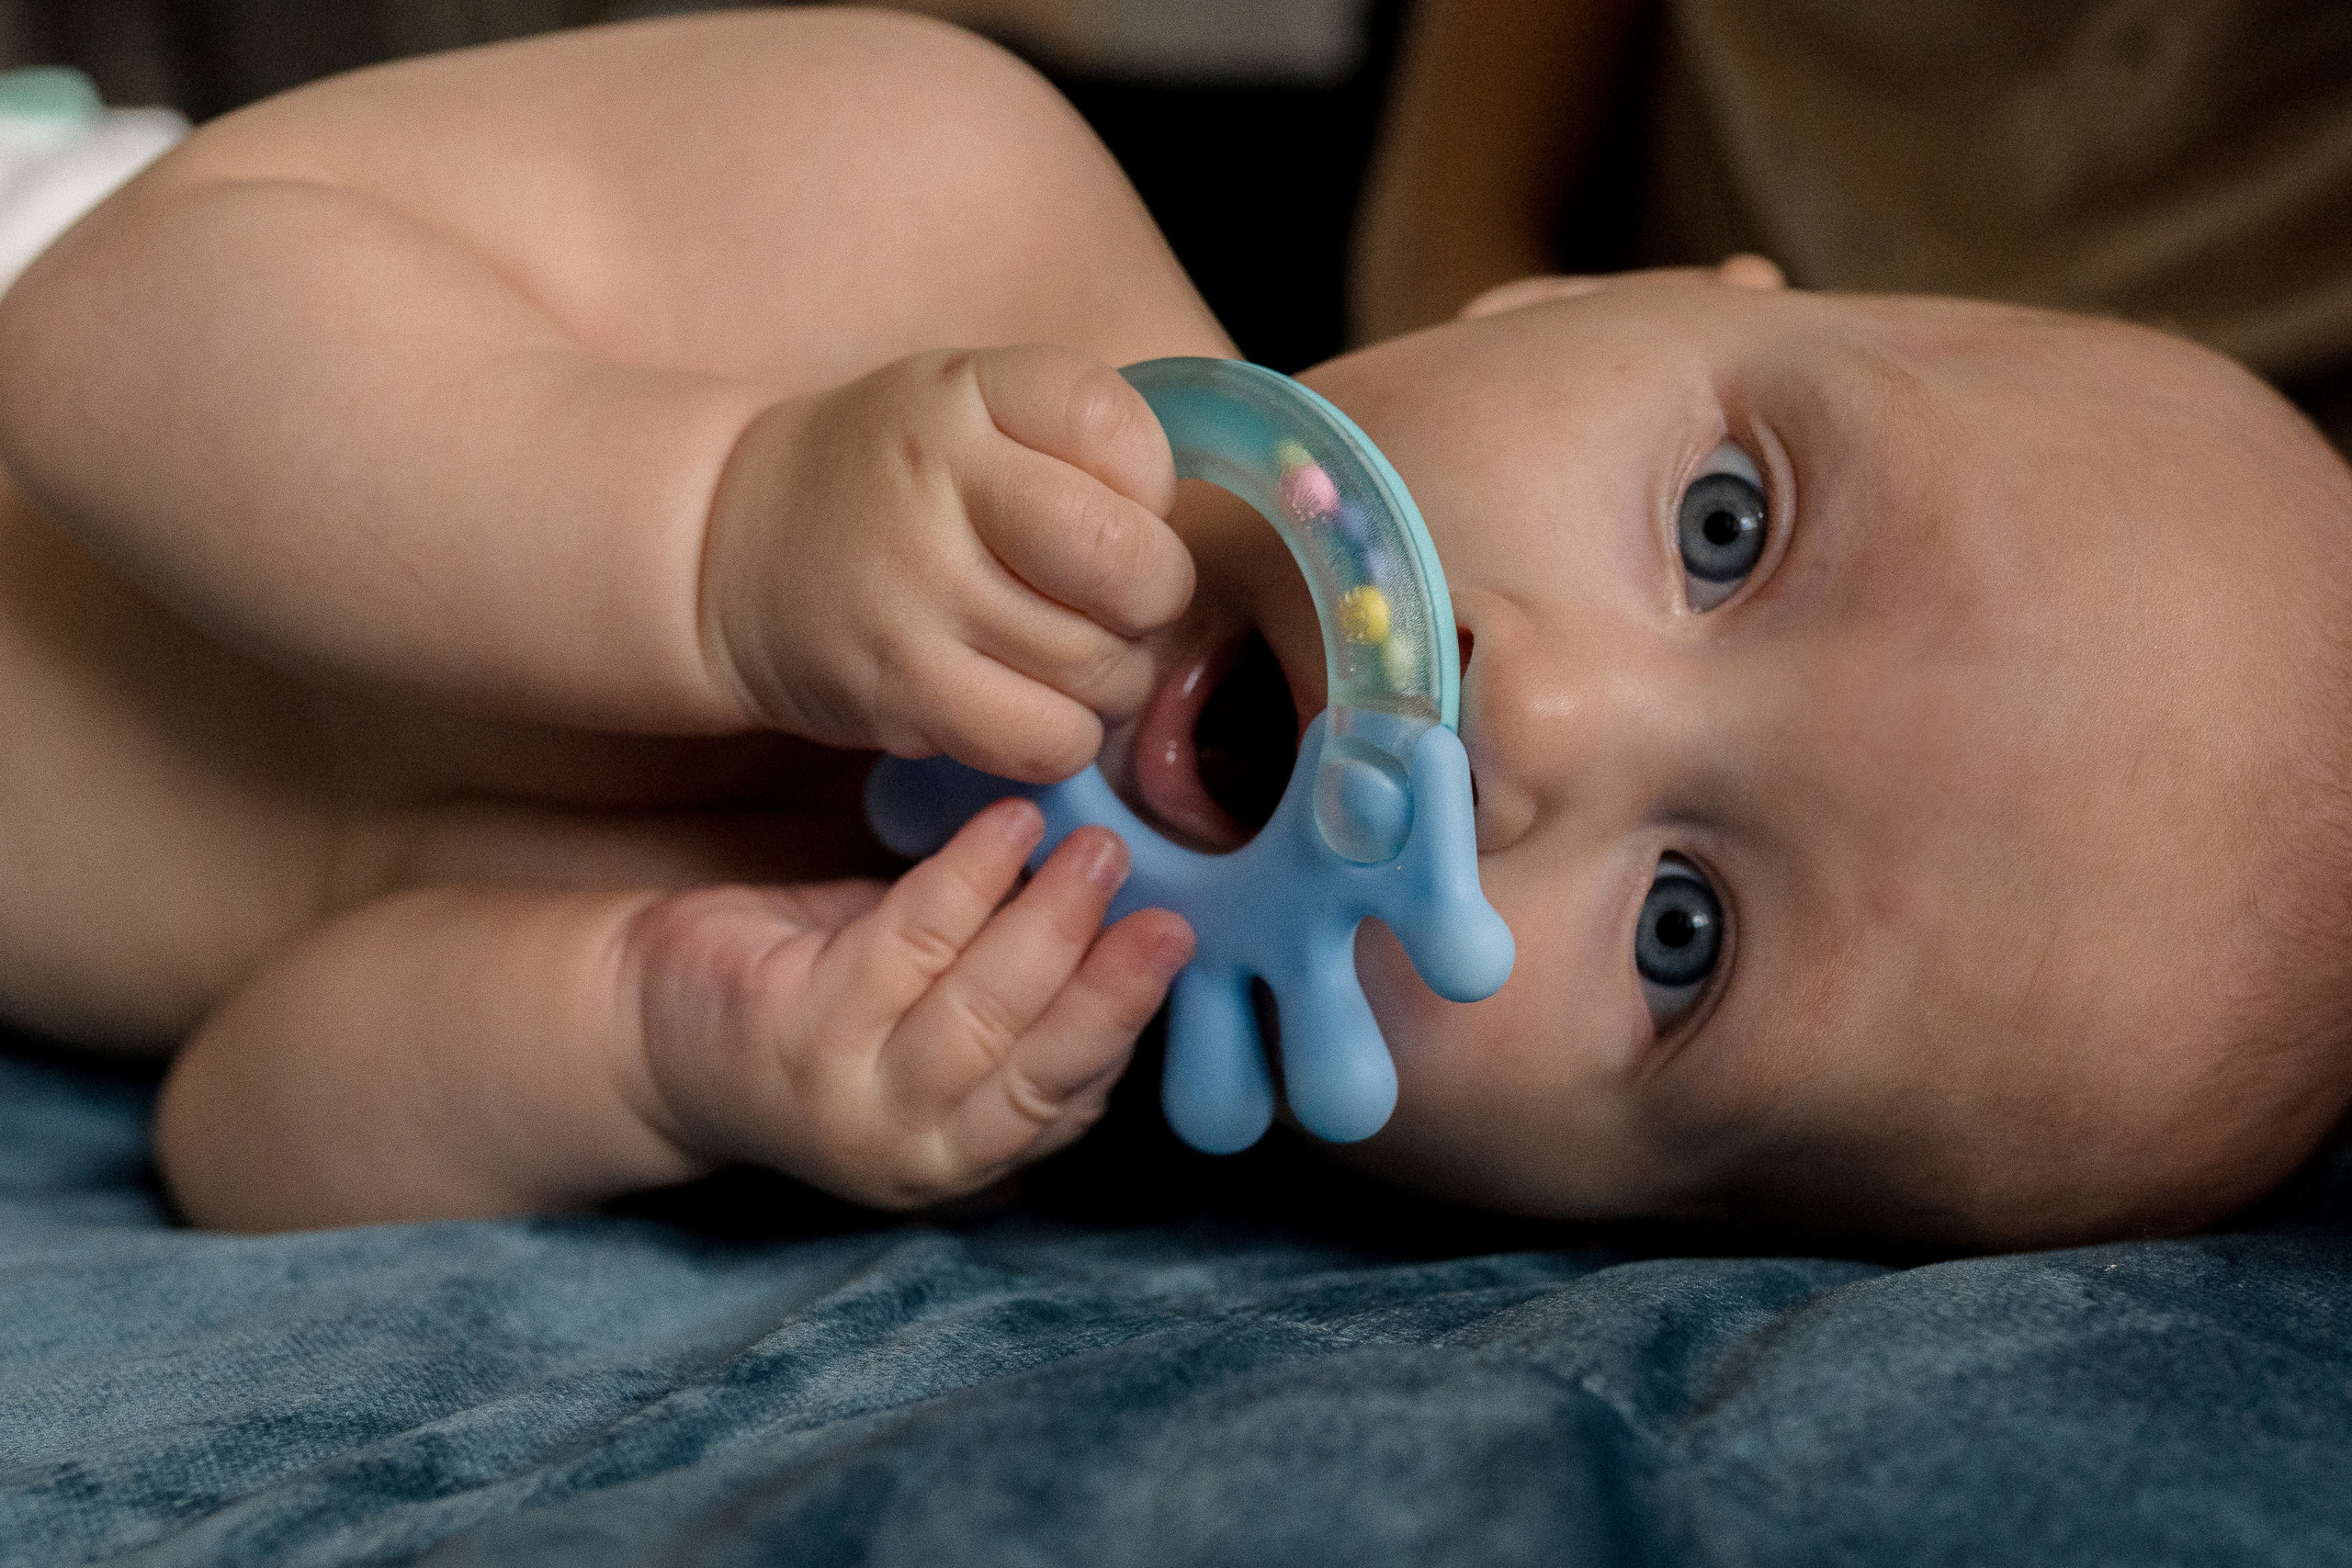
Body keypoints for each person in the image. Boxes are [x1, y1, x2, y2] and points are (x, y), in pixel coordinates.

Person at [0, 8, 2345, 1248]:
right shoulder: (939, 190)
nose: (1520, 710)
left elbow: (240, 1119)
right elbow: (103, 336)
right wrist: (715, 524)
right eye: (1723, 525)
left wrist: (657, 1046)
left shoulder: (972, 1031)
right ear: (1599, 287)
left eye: (1680, 932)